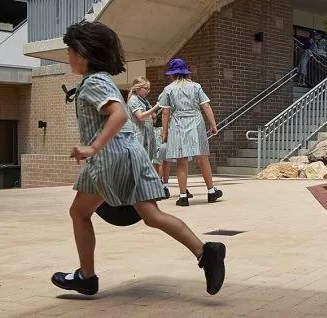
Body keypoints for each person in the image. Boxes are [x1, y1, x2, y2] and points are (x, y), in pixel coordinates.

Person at [51, 22, 225, 297]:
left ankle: (87, 277)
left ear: (83, 53)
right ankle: (206, 252)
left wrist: (93, 147)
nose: (68, 56)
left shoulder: (94, 82)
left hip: (110, 159)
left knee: (79, 213)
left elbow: (118, 114)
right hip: (128, 154)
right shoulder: (102, 79)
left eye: (70, 50)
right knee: (152, 216)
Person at [158, 58, 222, 207]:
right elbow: (206, 106)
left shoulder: (168, 89)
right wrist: (213, 124)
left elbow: (165, 113)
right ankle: (211, 191)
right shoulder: (196, 86)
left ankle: (183, 196)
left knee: (181, 161)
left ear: (172, 74)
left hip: (178, 124)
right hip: (196, 123)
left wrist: (164, 132)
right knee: (203, 158)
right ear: (186, 72)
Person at [125, 77, 167, 197]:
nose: (147, 91)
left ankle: (146, 191)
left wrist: (153, 114)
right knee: (139, 164)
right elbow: (140, 116)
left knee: (147, 163)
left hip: (147, 136)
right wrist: (156, 107)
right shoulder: (133, 99)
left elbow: (150, 115)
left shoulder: (143, 100)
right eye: (145, 88)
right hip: (138, 136)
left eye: (149, 89)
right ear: (137, 88)